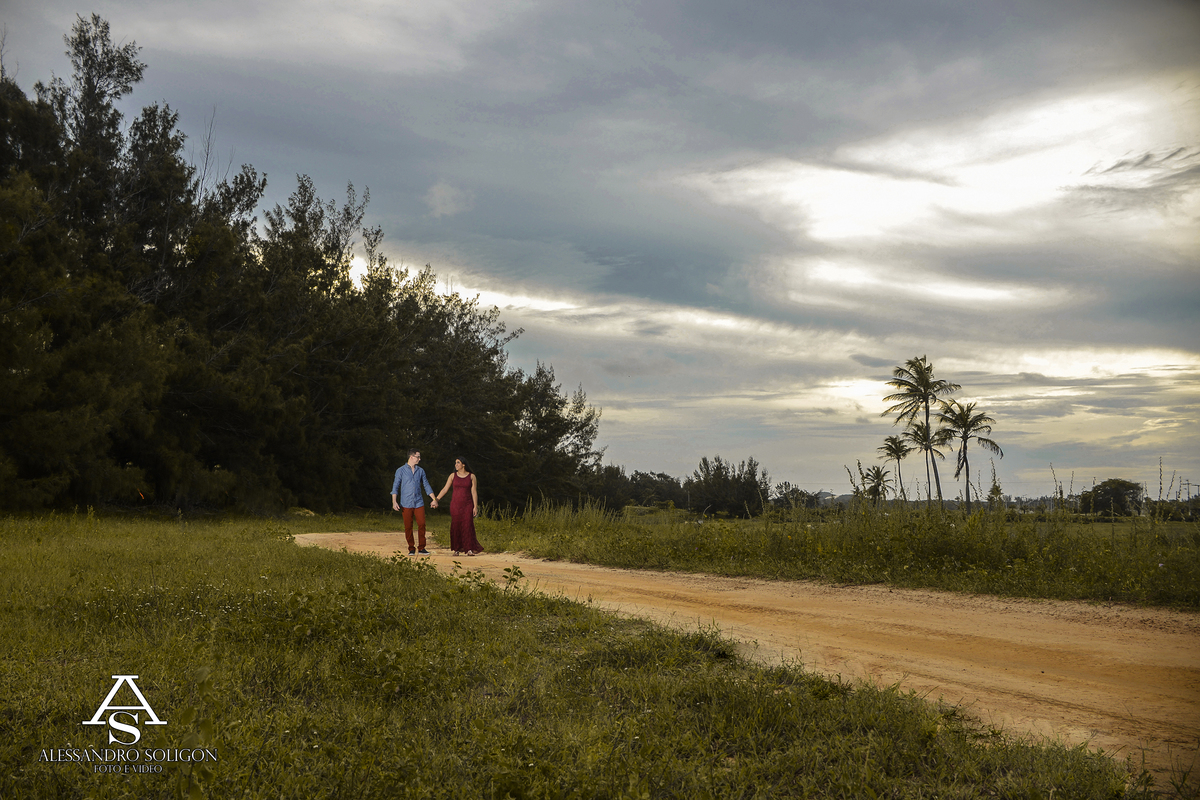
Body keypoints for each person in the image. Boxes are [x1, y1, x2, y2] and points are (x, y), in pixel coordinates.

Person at [391, 449, 437, 555]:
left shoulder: (420, 471)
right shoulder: (400, 470)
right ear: (411, 457)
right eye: (418, 457)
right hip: (405, 503)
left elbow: (426, 485)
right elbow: (395, 487)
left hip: (418, 502)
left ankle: (421, 548)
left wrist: (434, 499)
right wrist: (394, 501)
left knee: (422, 524)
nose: (419, 459)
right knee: (408, 526)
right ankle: (411, 548)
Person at [435, 457, 483, 556]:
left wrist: (475, 506)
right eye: (455, 463)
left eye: (458, 463)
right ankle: (456, 549)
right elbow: (445, 489)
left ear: (463, 464)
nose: (456, 464)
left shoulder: (472, 476)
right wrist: (436, 499)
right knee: (456, 525)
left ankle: (469, 548)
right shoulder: (452, 476)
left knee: (467, 525)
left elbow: (474, 492)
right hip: (456, 504)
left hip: (468, 504)